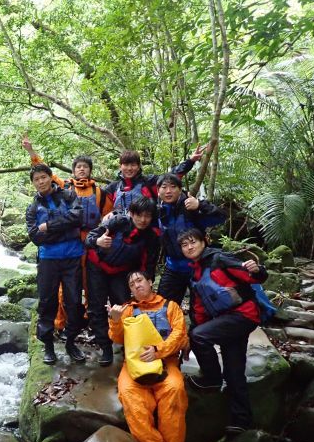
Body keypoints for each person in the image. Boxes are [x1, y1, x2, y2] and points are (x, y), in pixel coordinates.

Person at [178, 228, 268, 436]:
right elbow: (199, 308)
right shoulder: (196, 272)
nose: (189, 247)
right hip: (226, 321)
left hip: (243, 316)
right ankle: (242, 420)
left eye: (193, 242)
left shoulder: (219, 259)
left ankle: (212, 379)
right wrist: (193, 331)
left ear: (204, 242)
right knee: (234, 371)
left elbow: (253, 276)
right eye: (184, 245)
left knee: (200, 336)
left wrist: (257, 269)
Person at [23, 135, 113, 335]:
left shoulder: (99, 192)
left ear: (90, 170)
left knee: (89, 282)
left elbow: (108, 217)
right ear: (73, 170)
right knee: (65, 288)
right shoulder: (65, 188)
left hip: (92, 241)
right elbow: (43, 173)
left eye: (85, 167)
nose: (82, 169)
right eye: (78, 166)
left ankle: (90, 318)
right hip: (70, 241)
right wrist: (31, 152)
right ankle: (60, 321)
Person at [107, 270, 189, 442]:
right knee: (129, 393)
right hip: (135, 365)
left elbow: (179, 335)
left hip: (166, 362)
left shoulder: (171, 307)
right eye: (132, 284)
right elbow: (117, 338)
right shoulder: (127, 309)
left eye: (139, 280)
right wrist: (115, 319)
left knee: (174, 389)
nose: (136, 285)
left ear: (150, 282)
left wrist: (158, 350)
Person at [84, 197, 161, 366]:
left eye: (147, 216)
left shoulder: (151, 236)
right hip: (97, 267)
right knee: (97, 306)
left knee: (125, 306)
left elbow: (148, 262)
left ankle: (129, 343)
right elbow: (90, 237)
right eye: (139, 215)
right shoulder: (118, 222)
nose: (143, 220)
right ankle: (105, 347)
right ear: (131, 214)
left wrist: (146, 283)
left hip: (121, 272)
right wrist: (97, 241)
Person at [26, 163, 87, 365]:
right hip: (48, 261)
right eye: (37, 179)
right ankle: (48, 347)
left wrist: (49, 226)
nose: (41, 181)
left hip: (72, 258)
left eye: (44, 177)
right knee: (47, 303)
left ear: (51, 177)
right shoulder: (33, 208)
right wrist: (63, 227)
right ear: (33, 184)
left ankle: (70, 341)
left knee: (74, 302)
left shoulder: (68, 196)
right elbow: (35, 237)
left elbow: (78, 217)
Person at [156, 173, 226, 304]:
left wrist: (200, 205)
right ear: (158, 190)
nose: (168, 191)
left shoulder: (190, 207)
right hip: (173, 267)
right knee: (163, 307)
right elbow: (139, 221)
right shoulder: (158, 211)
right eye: (164, 187)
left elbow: (221, 217)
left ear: (180, 189)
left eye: (173, 187)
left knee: (203, 307)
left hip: (198, 266)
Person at [104, 147, 204, 213]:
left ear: (138, 166)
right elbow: (99, 204)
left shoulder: (149, 182)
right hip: (121, 236)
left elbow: (171, 176)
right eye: (126, 165)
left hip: (149, 234)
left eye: (133, 165)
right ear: (120, 166)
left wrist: (190, 161)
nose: (129, 168)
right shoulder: (113, 188)